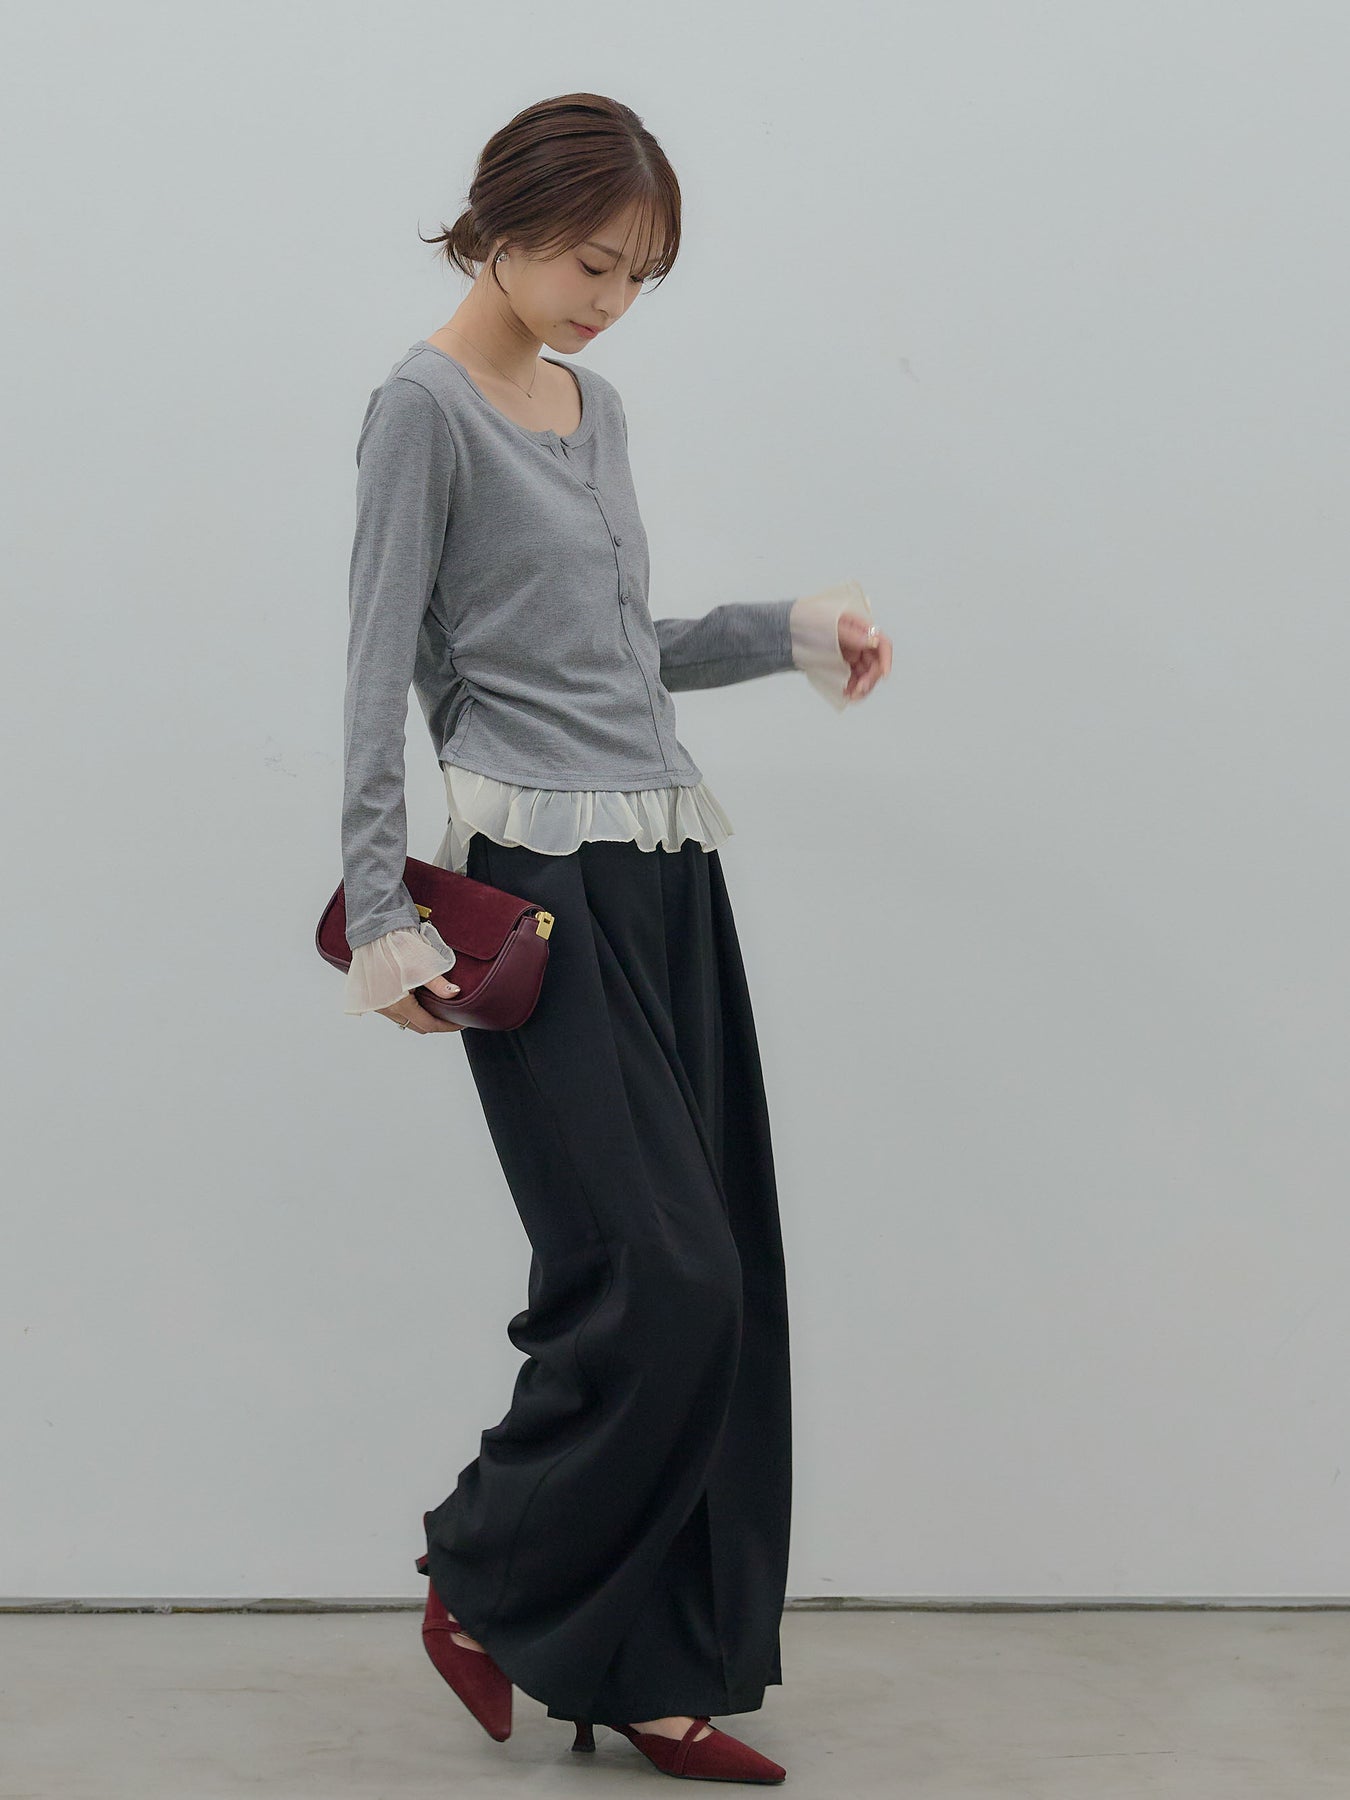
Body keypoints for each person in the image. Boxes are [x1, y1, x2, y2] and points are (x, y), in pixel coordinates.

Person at [338, 91, 892, 1786]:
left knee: (722, 1285)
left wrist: (786, 630)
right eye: (592, 261)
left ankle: (652, 1672)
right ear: (501, 222)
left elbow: (613, 647)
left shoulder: (596, 406)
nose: (610, 300)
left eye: (640, 275)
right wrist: (380, 917)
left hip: (667, 875)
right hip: (540, 894)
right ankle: (483, 1565)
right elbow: (373, 670)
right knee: (658, 1277)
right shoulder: (420, 410)